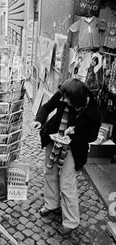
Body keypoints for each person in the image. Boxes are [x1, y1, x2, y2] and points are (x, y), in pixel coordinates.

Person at [31, 78, 102, 236]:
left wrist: (74, 134)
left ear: (76, 100)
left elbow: (92, 136)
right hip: (53, 137)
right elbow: (47, 106)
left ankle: (71, 221)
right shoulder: (65, 92)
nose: (62, 100)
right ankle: (52, 204)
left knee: (67, 182)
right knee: (49, 172)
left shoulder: (93, 112)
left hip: (74, 147)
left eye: (66, 99)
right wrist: (39, 120)